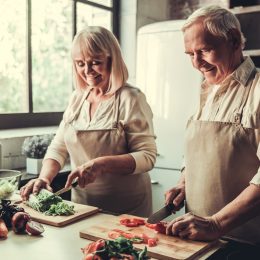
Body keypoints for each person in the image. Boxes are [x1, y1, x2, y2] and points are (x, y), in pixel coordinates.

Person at [20, 26, 157, 217]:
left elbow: (147, 157)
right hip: (82, 206)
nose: (87, 70)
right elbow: (58, 148)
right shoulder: (77, 98)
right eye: (80, 63)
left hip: (127, 209)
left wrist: (100, 164)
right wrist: (44, 178)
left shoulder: (131, 98)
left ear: (112, 60)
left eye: (95, 62)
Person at [165, 5, 260, 245]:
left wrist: (216, 223)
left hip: (246, 243)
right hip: (198, 239)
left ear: (234, 41)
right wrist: (185, 181)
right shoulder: (206, 89)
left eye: (205, 50)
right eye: (190, 54)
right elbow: (199, 151)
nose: (197, 63)